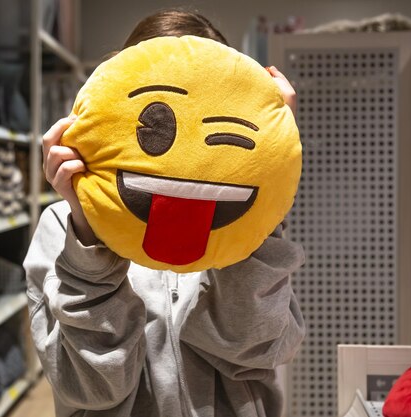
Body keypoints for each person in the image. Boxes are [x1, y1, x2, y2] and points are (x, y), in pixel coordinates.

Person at [24, 9, 304, 417]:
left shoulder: (245, 223)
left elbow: (254, 350)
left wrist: (271, 166)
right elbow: (93, 386)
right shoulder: (60, 228)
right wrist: (90, 234)